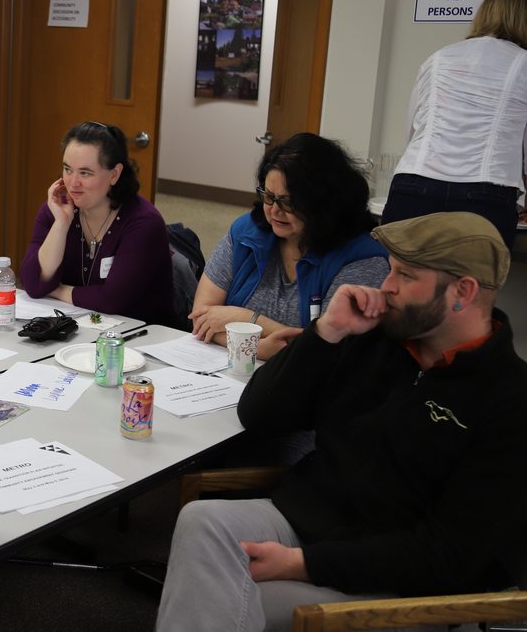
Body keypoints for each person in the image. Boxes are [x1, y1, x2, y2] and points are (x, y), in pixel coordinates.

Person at [155, 212, 527, 632]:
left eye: (405, 276)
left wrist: (304, 565)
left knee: (217, 597)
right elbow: (259, 414)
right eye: (390, 270)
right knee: (202, 522)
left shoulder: (509, 400)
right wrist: (326, 331)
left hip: (396, 579)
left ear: (462, 291)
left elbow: (447, 556)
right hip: (309, 522)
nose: (386, 287)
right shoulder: (374, 339)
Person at [190, 133, 390, 361]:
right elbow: (202, 319)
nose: (274, 210)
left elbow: (327, 352)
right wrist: (259, 349)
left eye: (288, 202)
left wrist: (247, 318)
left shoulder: (361, 261)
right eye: (269, 196)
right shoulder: (247, 232)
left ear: (324, 203)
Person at [382, 0, 527, 248]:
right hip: (485, 193)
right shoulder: (523, 65)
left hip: (414, 184)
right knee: (470, 287)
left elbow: (414, 129)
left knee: (399, 284)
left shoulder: (440, 57)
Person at [19, 121, 174, 325]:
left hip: (138, 337)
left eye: (85, 173)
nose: (73, 183)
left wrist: (56, 290)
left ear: (114, 174)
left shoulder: (143, 223)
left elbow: (111, 300)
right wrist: (61, 224)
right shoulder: (57, 209)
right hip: (80, 328)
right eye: (67, 169)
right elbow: (33, 284)